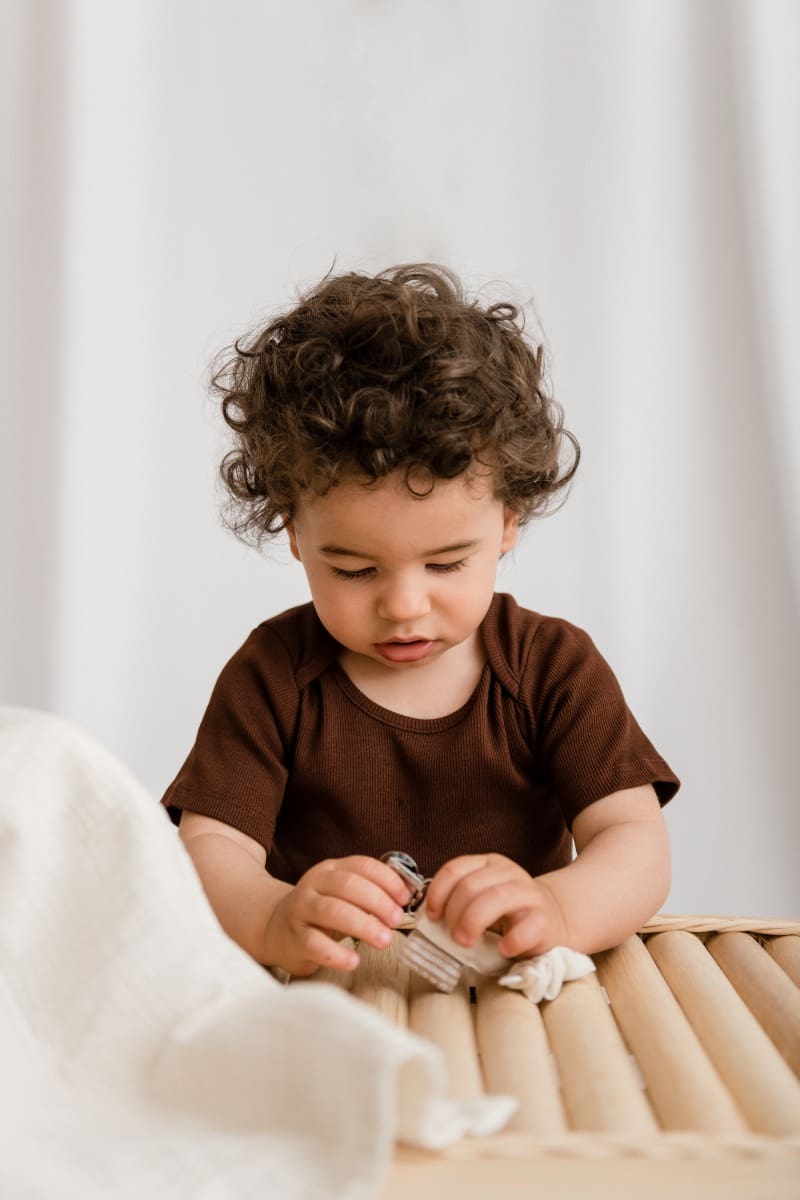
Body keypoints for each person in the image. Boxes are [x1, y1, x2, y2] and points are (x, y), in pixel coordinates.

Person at [161, 262, 680, 979]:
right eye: (354, 570)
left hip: (514, 998)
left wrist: (558, 909)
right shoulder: (273, 674)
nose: (404, 606)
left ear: (508, 520)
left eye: (445, 564)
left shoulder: (552, 667)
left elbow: (634, 840)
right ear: (294, 531)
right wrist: (272, 915)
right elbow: (209, 850)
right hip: (325, 993)